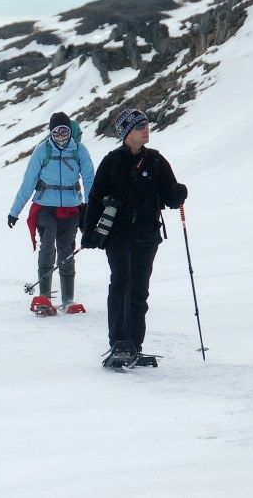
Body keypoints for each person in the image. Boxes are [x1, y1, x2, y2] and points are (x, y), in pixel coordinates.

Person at [81, 108, 187, 363]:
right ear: (127, 133)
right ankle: (119, 343)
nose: (146, 129)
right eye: (140, 126)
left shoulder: (157, 161)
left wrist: (178, 194)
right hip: (118, 233)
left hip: (147, 234)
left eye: (146, 125)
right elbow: (95, 198)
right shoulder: (112, 161)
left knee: (139, 290)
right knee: (121, 282)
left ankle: (135, 346)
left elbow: (169, 194)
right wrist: (89, 232)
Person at [7, 112, 95, 309]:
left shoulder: (79, 150)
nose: (61, 137)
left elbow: (90, 179)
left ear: (70, 132)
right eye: (56, 132)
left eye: (65, 131)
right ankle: (44, 297)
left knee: (67, 251)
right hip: (46, 208)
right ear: (51, 133)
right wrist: (15, 211)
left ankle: (68, 300)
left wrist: (90, 207)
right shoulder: (42, 151)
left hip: (71, 209)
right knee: (47, 247)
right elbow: (28, 182)